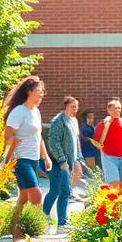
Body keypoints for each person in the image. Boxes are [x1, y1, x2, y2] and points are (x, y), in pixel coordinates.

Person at [4, 77, 52, 242]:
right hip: (20, 159)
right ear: (28, 92)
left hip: (33, 159)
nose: (41, 95)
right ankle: (36, 229)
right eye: (38, 92)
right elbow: (7, 136)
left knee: (23, 198)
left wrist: (45, 157)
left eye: (42, 92)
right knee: (36, 194)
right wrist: (14, 142)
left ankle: (15, 230)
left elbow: (38, 137)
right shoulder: (19, 112)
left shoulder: (35, 112)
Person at [43, 96, 82, 231]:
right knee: (62, 190)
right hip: (57, 162)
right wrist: (62, 160)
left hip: (69, 161)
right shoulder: (58, 121)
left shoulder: (74, 121)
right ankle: (60, 221)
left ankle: (46, 216)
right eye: (72, 107)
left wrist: (78, 159)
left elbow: (76, 141)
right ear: (65, 106)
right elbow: (53, 142)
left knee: (58, 190)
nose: (75, 109)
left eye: (76, 107)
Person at [92, 98, 122, 191]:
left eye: (119, 108)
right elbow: (97, 142)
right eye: (114, 108)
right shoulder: (103, 124)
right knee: (114, 186)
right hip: (109, 158)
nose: (117, 110)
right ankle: (113, 205)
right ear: (108, 110)